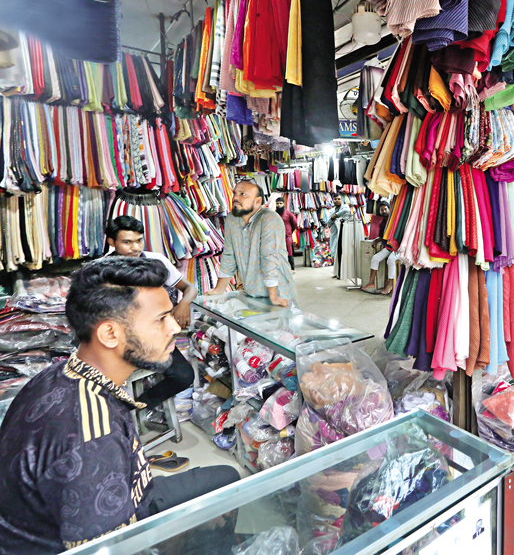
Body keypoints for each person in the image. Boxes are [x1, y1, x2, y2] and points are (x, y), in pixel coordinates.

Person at [0, 258, 240, 554]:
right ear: (109, 334)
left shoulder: (58, 373)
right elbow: (105, 548)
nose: (174, 328)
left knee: (226, 479)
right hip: (80, 534)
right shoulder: (92, 438)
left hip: (127, 492)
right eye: (160, 319)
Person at [105, 215, 196, 409]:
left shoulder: (156, 261)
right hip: (121, 339)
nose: (135, 248)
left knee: (184, 376)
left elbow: (190, 288)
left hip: (154, 336)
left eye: (139, 240)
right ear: (111, 242)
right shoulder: (103, 270)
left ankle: (133, 405)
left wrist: (183, 305)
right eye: (127, 242)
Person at [207, 180, 296, 307]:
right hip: (251, 290)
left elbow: (269, 257)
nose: (236, 198)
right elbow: (229, 256)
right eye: (235, 193)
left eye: (243, 194)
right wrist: (219, 289)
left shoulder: (269, 219)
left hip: (278, 290)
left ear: (257, 201)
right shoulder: (232, 219)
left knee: (279, 325)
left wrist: (274, 296)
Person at [362, 202, 399, 295]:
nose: (383, 211)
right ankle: (371, 282)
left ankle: (390, 284)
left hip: (399, 247)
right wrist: (376, 241)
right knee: (375, 258)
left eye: (385, 209)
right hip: (389, 247)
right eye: (382, 210)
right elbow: (382, 236)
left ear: (389, 209)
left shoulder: (395, 220)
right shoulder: (383, 222)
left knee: (391, 260)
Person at [326, 195, 352, 278]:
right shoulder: (331, 210)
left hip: (344, 233)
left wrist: (336, 215)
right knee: (336, 253)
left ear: (342, 200)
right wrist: (333, 218)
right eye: (335, 199)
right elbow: (329, 223)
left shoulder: (345, 206)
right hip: (335, 234)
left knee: (343, 253)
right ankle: (337, 272)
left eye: (339, 199)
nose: (337, 200)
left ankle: (343, 273)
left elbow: (347, 211)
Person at [275, 196, 299, 271]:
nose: (279, 205)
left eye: (280, 203)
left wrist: (290, 231)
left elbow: (295, 223)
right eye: (277, 203)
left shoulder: (289, 214)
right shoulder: (274, 214)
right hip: (277, 236)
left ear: (284, 204)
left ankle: (292, 268)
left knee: (289, 252)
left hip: (287, 236)